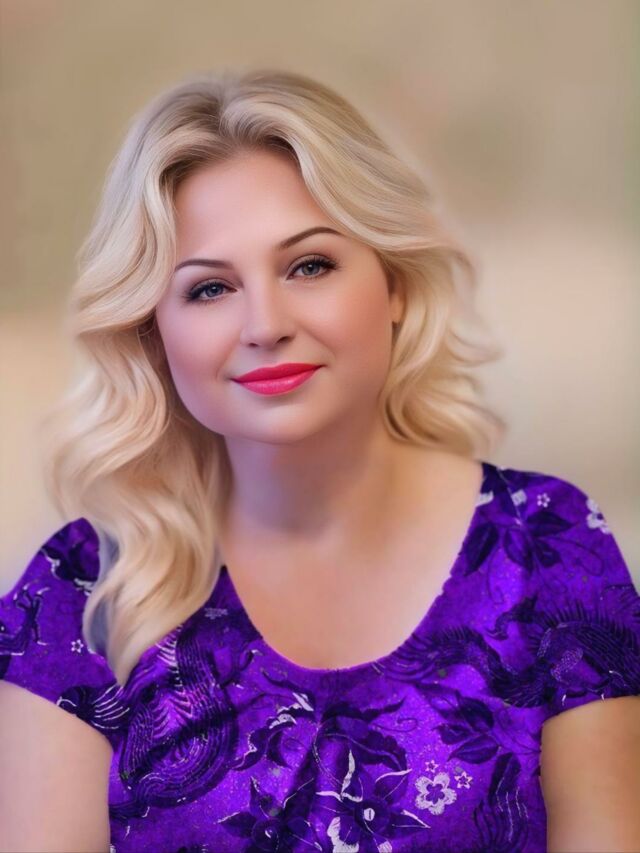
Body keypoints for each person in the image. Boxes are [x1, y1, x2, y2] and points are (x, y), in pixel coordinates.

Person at [0, 67, 638, 853]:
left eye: (309, 266)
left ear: (394, 284)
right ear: (153, 333)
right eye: (209, 289)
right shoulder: (82, 592)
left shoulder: (547, 547)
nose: (265, 324)